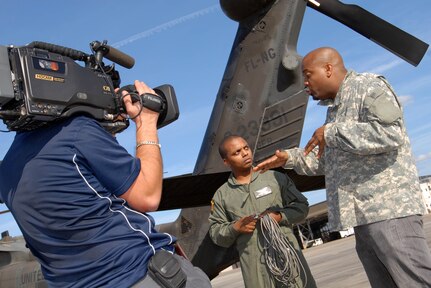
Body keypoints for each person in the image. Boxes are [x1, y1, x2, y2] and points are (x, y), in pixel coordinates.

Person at [0, 80, 211, 287]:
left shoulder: (8, 168)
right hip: (136, 273)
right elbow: (147, 196)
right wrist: (145, 121)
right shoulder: (77, 131)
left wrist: (106, 131)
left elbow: (83, 190)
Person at [254, 47, 431, 287]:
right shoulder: (335, 110)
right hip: (362, 217)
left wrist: (333, 132)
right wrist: (289, 158)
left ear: (328, 69)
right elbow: (328, 161)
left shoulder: (368, 87)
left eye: (308, 75)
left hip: (390, 212)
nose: (305, 83)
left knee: (415, 281)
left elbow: (391, 134)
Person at [208, 135, 316, 288]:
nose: (245, 153)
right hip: (254, 266)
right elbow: (215, 233)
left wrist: (280, 216)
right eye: (237, 152)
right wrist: (235, 227)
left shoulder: (275, 178)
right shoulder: (222, 195)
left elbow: (302, 206)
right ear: (226, 161)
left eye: (246, 148)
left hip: (288, 257)